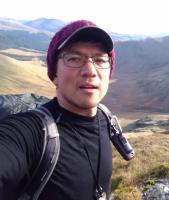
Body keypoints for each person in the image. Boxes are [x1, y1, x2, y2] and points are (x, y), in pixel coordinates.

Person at [0, 20, 116, 200]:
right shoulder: (32, 134)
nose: (90, 71)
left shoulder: (105, 119)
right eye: (74, 59)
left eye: (100, 59)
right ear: (54, 75)